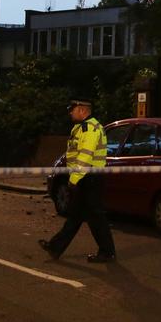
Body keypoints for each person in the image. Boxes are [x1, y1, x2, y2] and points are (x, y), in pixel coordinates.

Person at [39, 98, 116, 263]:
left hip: (90, 178)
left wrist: (74, 179)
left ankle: (107, 252)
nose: (70, 113)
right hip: (86, 177)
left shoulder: (91, 129)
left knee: (94, 217)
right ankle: (56, 247)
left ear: (82, 110)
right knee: (78, 216)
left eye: (72, 110)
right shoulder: (80, 128)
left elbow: (84, 157)